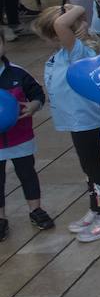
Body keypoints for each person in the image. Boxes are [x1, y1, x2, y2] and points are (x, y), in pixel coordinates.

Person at [34, 5, 100, 240]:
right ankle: (96, 207)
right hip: (74, 121)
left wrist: (76, 8)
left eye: (47, 36)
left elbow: (61, 24)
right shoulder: (62, 53)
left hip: (86, 121)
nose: (45, 41)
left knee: (95, 170)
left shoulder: (77, 52)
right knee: (88, 170)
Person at [0, 34, 49, 240]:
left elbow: (38, 94)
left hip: (20, 137)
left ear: (4, 44)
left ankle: (35, 209)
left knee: (27, 173)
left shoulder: (18, 73)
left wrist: (34, 106)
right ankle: (1, 218)